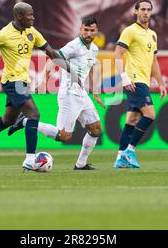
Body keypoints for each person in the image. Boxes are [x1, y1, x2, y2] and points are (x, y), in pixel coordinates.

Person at [0, 2, 75, 170]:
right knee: (34, 114)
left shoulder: (32, 32)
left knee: (8, 120)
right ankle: (30, 159)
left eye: (33, 14)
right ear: (19, 16)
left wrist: (70, 70)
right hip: (12, 81)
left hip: (22, 82)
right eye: (29, 15)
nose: (33, 18)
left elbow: (51, 52)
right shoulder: (5, 34)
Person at [8, 17, 105, 170]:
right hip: (69, 94)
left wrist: (95, 92)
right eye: (85, 30)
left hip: (82, 94)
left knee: (96, 129)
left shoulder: (94, 49)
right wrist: (43, 80)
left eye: (92, 30)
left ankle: (80, 164)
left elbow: (90, 69)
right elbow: (53, 58)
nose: (88, 33)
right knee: (64, 136)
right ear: (80, 29)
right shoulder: (73, 46)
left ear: (96, 32)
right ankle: (24, 122)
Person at [114, 0, 167, 169]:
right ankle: (130, 151)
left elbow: (154, 61)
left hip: (143, 79)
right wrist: (124, 77)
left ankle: (120, 157)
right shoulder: (130, 31)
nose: (145, 12)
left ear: (151, 12)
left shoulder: (152, 34)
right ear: (136, 11)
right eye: (142, 9)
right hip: (133, 79)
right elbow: (117, 55)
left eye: (148, 9)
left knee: (132, 119)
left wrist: (161, 83)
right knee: (150, 115)